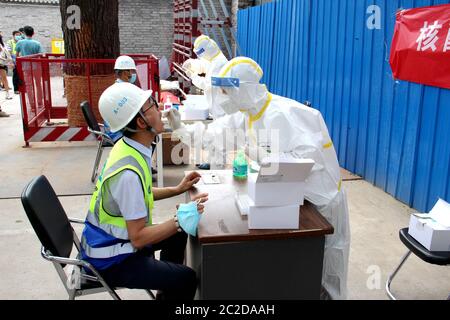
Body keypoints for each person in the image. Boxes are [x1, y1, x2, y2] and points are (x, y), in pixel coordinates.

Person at [169, 57, 350, 300]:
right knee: (297, 265)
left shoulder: (287, 113)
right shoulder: (247, 115)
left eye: (227, 91)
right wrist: (182, 129)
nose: (223, 97)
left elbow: (309, 161)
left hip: (320, 202)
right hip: (287, 197)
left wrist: (263, 157)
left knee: (328, 266)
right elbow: (215, 134)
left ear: (244, 88)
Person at [80, 82, 208, 300]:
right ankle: (172, 285)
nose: (160, 111)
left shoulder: (129, 146)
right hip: (113, 259)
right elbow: (138, 238)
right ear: (141, 122)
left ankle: (166, 290)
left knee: (178, 236)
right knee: (187, 278)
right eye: (153, 107)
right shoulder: (127, 174)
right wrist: (179, 219)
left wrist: (178, 189)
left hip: (112, 244)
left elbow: (140, 195)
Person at [182, 35, 245, 169]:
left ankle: (216, 164)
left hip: (221, 106)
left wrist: (193, 76)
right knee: (217, 135)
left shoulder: (219, 62)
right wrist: (193, 64)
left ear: (206, 50)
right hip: (216, 105)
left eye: (201, 54)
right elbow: (204, 66)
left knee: (219, 136)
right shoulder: (214, 58)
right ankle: (213, 161)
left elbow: (206, 84)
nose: (201, 57)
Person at [0, 33, 14, 100]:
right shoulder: (3, 45)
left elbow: (8, 55)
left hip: (2, 63)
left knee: (4, 78)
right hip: (3, 63)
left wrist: (10, 62)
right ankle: (7, 94)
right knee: (4, 78)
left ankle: (7, 94)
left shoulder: (3, 45)